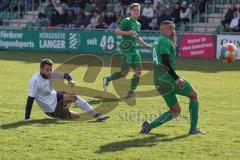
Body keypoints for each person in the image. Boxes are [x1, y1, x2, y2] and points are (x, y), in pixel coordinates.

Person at [140, 21, 205, 135]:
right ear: (162, 30)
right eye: (169, 28)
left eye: (173, 29)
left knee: (175, 111)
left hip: (158, 79)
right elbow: (165, 62)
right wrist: (176, 78)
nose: (172, 31)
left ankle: (149, 126)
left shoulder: (158, 41)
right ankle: (193, 129)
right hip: (168, 78)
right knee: (193, 95)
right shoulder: (165, 41)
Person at [25, 59, 109, 121]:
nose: (49, 72)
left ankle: (97, 115)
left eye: (50, 70)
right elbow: (30, 99)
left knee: (73, 96)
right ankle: (63, 112)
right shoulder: (35, 81)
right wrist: (27, 119)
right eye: (47, 70)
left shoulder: (52, 74)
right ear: (41, 69)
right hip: (51, 108)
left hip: (55, 96)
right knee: (77, 116)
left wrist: (71, 80)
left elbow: (67, 75)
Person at [103, 3, 152, 99]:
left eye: (138, 10)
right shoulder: (126, 21)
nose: (137, 12)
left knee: (138, 71)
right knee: (124, 72)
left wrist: (146, 45)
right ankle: (107, 79)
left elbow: (137, 37)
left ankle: (131, 92)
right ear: (131, 11)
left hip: (134, 51)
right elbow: (116, 31)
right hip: (125, 51)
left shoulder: (138, 24)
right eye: (135, 10)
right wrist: (127, 33)